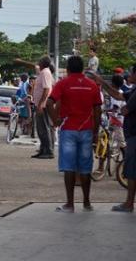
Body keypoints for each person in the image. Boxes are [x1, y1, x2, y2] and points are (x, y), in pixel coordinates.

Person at [46, 56, 102, 212]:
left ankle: (70, 204)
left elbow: (49, 102)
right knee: (85, 168)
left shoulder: (63, 83)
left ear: (68, 69)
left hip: (68, 129)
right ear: (83, 68)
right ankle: (87, 203)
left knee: (69, 167)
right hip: (87, 130)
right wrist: (96, 131)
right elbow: (98, 110)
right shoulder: (92, 85)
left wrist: (55, 119)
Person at [92, 66, 136, 212]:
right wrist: (101, 81)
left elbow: (125, 109)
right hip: (130, 134)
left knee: (132, 170)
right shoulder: (133, 91)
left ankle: (129, 203)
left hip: (134, 135)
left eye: (131, 73)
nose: (128, 75)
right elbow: (118, 95)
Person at [32, 56, 55, 159]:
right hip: (40, 104)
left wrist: (41, 103)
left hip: (44, 105)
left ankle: (48, 151)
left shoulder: (45, 72)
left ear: (42, 63)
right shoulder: (43, 72)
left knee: (44, 128)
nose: (38, 63)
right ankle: (43, 150)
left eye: (39, 61)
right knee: (40, 129)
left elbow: (46, 89)